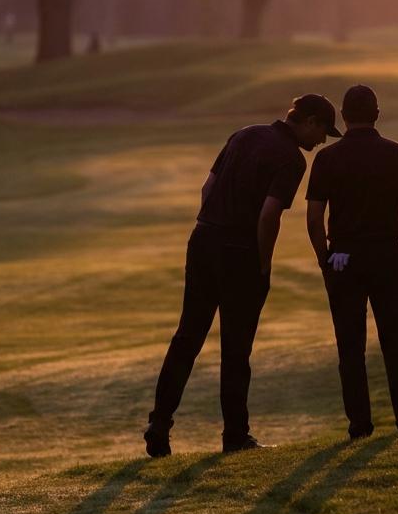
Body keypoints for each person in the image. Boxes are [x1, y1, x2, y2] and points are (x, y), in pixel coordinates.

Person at [144, 94, 341, 458]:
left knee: (188, 335)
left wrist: (214, 226)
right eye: (323, 132)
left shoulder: (243, 134)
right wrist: (262, 265)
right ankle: (235, 434)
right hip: (241, 252)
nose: (322, 142)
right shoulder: (291, 159)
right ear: (309, 121)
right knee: (236, 347)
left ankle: (159, 424)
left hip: (203, 239)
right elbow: (269, 216)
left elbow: (207, 189)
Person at [306, 84, 398, 440]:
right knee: (395, 341)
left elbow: (314, 218)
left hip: (343, 258)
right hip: (386, 254)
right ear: (377, 114)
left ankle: (360, 424)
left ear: (343, 116)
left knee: (350, 345)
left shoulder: (327, 159)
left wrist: (324, 258)